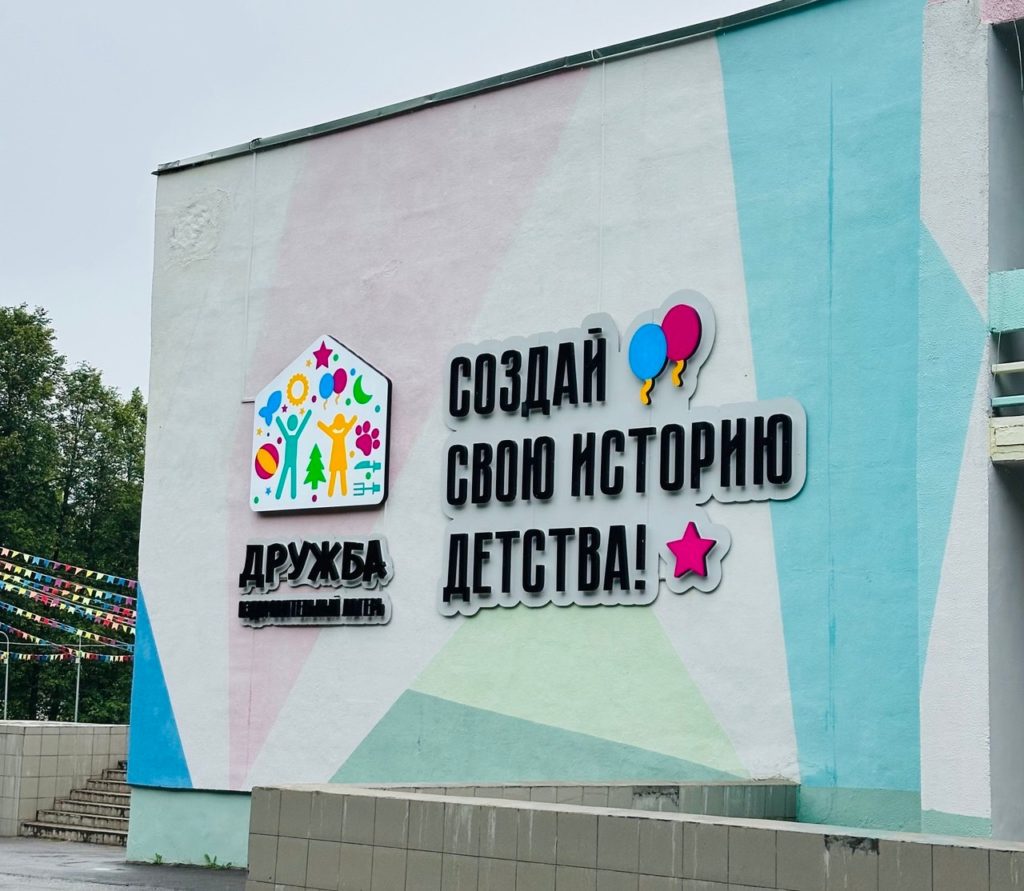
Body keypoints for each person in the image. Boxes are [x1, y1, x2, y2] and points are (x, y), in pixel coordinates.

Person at [274, 411, 312, 500]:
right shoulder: (293, 437)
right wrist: (307, 415)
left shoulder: (291, 437)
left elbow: (283, 427)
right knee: (288, 475)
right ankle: (283, 494)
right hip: (289, 461)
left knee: (288, 475)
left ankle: (287, 494)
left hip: (290, 461)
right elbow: (301, 426)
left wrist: (308, 415)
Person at [317, 413, 358, 497]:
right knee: (336, 474)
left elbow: (326, 429)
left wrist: (330, 426)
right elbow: (349, 425)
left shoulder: (336, 435)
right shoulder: (339, 435)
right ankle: (332, 493)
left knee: (340, 474)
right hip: (336, 459)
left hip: (339, 458)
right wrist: (348, 422)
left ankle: (341, 492)